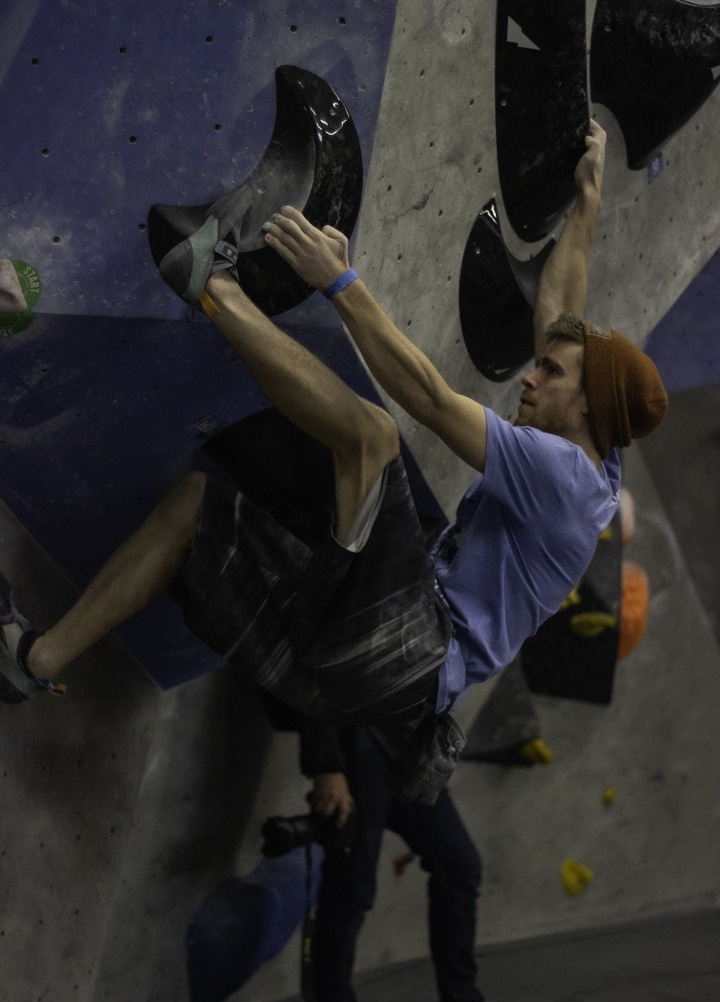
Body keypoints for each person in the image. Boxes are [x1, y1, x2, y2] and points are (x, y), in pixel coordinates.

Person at [0, 121, 667, 803]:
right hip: (364, 684)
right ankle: (32, 661)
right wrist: (588, 197)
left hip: (409, 652)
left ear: (588, 406)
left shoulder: (565, 478)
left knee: (373, 439)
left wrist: (338, 280)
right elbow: (559, 312)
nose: (531, 376)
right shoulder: (597, 459)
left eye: (550, 375)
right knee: (195, 511)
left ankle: (208, 283)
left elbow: (430, 400)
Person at [262, 688, 537, 1002]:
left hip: (404, 742)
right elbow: (315, 672)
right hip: (354, 742)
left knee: (459, 867)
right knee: (350, 891)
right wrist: (326, 765)